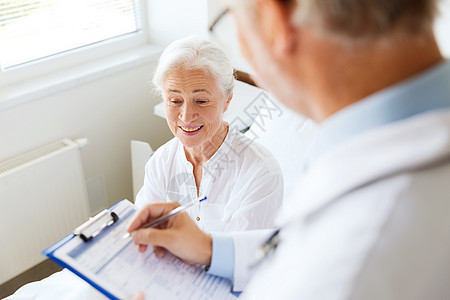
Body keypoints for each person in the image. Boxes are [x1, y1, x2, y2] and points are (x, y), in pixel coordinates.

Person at [128, 0, 450, 299]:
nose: (187, 114)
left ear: (274, 21)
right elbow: (300, 248)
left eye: (231, 21)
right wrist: (211, 249)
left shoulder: (355, 264)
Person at [135, 35, 283, 232]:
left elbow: (246, 257)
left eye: (202, 101)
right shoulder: (160, 163)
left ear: (227, 100)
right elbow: (146, 233)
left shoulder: (260, 172)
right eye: (175, 100)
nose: (186, 117)